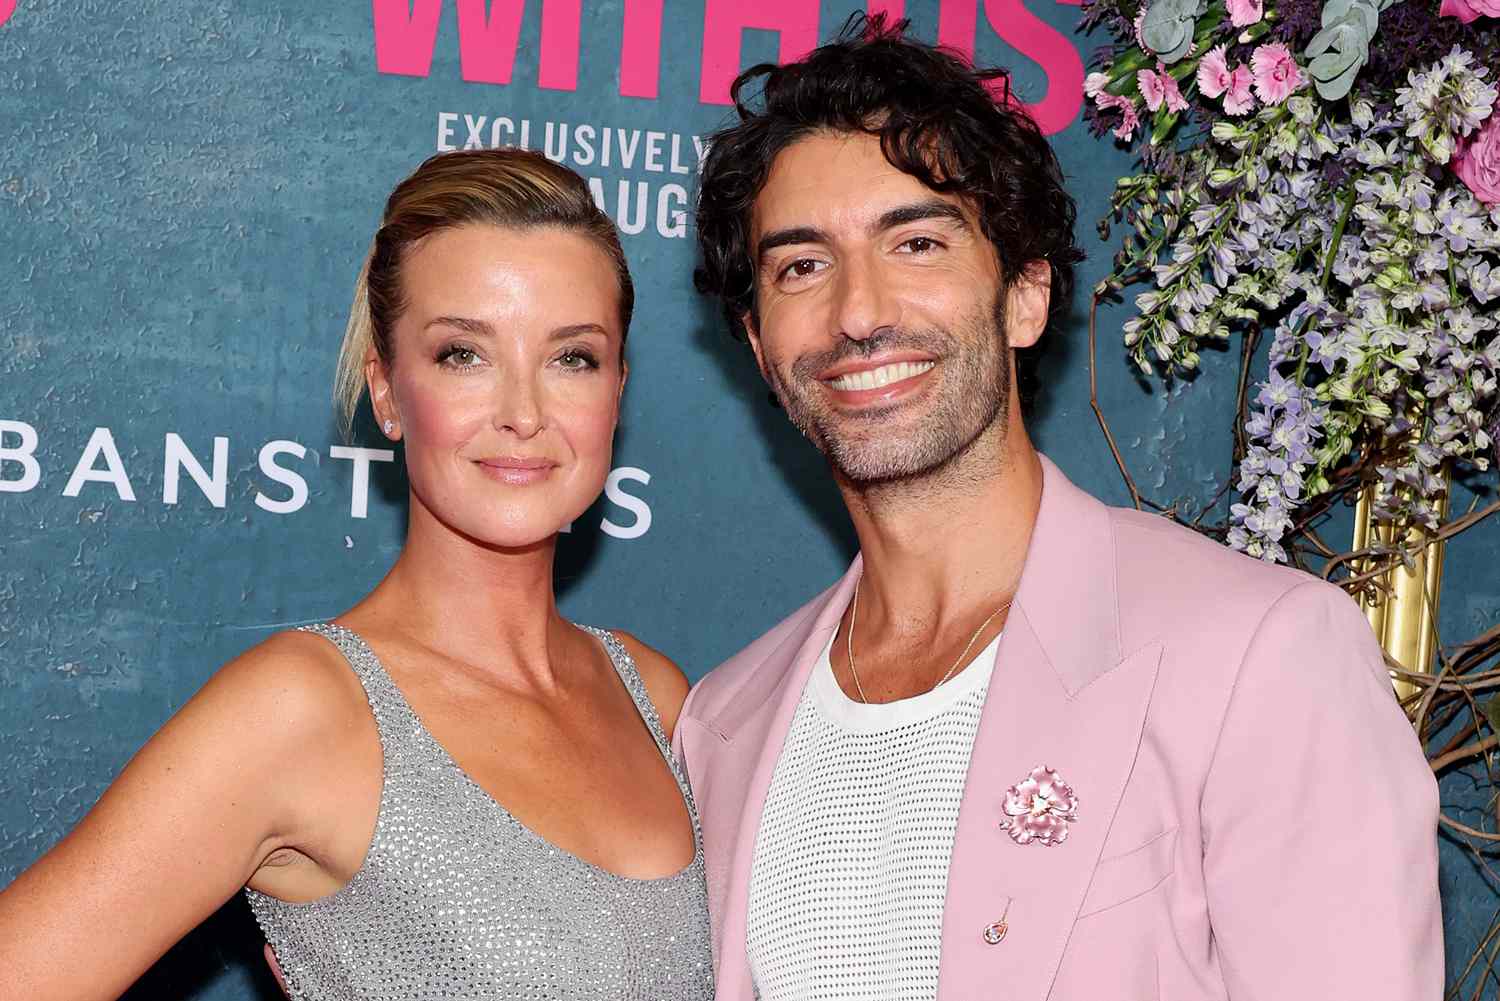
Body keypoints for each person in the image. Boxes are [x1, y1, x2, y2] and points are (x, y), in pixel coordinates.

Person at [681, 15, 1441, 1001]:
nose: (858, 312)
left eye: (915, 242)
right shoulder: (724, 721)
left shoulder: (1257, 654)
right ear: (757, 341)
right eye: (801, 266)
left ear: (1026, 294)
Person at [0, 149, 713, 1001]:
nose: (524, 412)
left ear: (617, 391)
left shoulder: (658, 697)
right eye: (463, 354)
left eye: (572, 358)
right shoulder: (304, 708)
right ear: (385, 387)